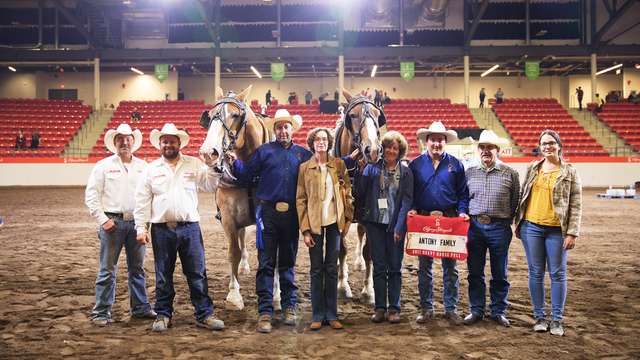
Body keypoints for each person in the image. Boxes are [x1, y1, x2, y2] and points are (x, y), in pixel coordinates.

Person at [134, 123, 224, 332]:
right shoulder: (151, 170)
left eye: (172, 141)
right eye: (165, 141)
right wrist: (141, 228)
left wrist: (212, 166)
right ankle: (163, 314)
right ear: (160, 144)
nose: (168, 144)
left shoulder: (193, 164)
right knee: (163, 274)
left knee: (197, 273)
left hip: (190, 227)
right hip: (161, 229)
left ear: (179, 143)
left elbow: (210, 185)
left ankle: (204, 314)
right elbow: (142, 201)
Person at [230, 109, 312, 333]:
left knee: (287, 263)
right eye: (279, 127)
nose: (282, 130)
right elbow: (246, 174)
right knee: (265, 264)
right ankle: (265, 312)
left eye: (286, 127)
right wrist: (234, 162)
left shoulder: (303, 155)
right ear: (274, 130)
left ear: (291, 129)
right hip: (268, 215)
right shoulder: (263, 152)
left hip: (292, 216)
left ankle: (289, 307)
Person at [84, 123, 155, 326]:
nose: (124, 142)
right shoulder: (103, 166)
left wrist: (145, 224)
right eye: (120, 139)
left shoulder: (144, 167)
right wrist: (102, 219)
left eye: (127, 139)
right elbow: (92, 195)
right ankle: (101, 312)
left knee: (137, 269)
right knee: (107, 270)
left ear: (133, 141)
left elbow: (149, 196)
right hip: (112, 222)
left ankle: (140, 308)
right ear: (114, 142)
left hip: (136, 223)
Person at [515, 129, 582, 337]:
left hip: (557, 231)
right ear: (540, 146)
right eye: (544, 143)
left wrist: (572, 233)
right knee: (535, 273)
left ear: (559, 145)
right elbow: (523, 195)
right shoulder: (533, 168)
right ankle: (539, 317)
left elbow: (576, 205)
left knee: (557, 274)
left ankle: (557, 319)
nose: (547, 147)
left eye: (551, 143)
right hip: (531, 227)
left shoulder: (569, 172)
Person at [409, 121, 469, 325]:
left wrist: (462, 212)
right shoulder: (415, 164)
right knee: (424, 267)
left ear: (445, 142)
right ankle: (427, 308)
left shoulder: (456, 164)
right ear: (427, 141)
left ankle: (450, 308)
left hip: (449, 219)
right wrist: (413, 209)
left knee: (450, 266)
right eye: (433, 139)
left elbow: (463, 193)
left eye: (440, 140)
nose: (436, 143)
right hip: (424, 220)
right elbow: (411, 193)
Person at [296, 127, 354, 331]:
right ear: (312, 143)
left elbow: (347, 192)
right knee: (316, 269)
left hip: (334, 224)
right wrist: (304, 230)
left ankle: (332, 314)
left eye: (324, 139)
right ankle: (317, 314)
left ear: (329, 143)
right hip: (313, 225)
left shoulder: (339, 165)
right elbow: (300, 200)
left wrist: (347, 218)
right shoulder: (304, 168)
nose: (321, 142)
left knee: (331, 268)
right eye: (317, 139)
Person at [463, 130, 520, 328]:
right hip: (474, 226)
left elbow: (515, 203)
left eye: (490, 147)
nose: (486, 151)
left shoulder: (510, 173)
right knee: (474, 271)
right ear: (479, 150)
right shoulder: (469, 172)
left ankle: (498, 310)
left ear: (498, 150)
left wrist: (505, 221)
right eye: (483, 147)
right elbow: (464, 199)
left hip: (499, 227)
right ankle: (476, 309)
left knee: (500, 273)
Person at [358, 131, 413, 324]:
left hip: (395, 226)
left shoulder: (406, 172)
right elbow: (361, 192)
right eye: (388, 146)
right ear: (383, 148)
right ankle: (380, 307)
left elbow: (407, 201)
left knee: (395, 268)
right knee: (379, 266)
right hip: (375, 225)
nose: (391, 150)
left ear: (400, 151)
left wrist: (400, 227)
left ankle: (394, 308)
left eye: (395, 148)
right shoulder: (372, 169)